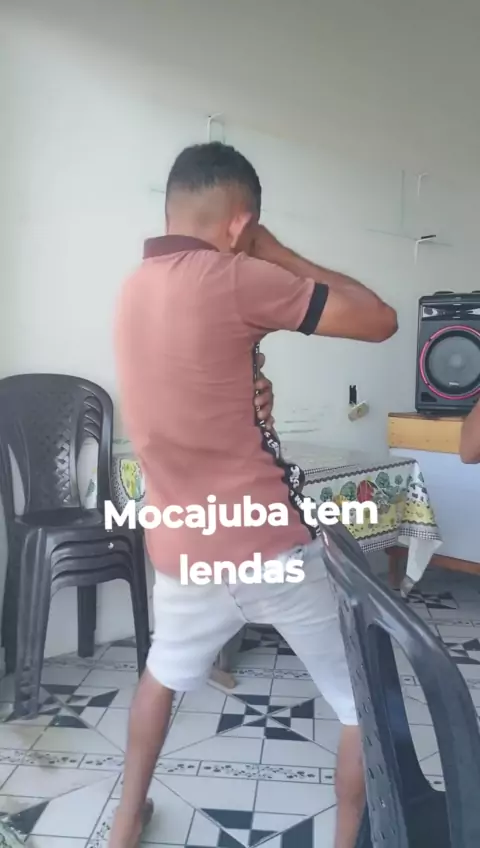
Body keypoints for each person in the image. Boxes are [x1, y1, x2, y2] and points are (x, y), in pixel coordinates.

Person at [112, 142, 398, 848]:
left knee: (160, 677)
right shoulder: (235, 275)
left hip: (181, 547)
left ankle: (123, 824)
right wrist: (271, 250)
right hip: (267, 545)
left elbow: (195, 394)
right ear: (240, 222)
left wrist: (251, 392)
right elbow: (379, 318)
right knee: (358, 699)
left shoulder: (133, 289)